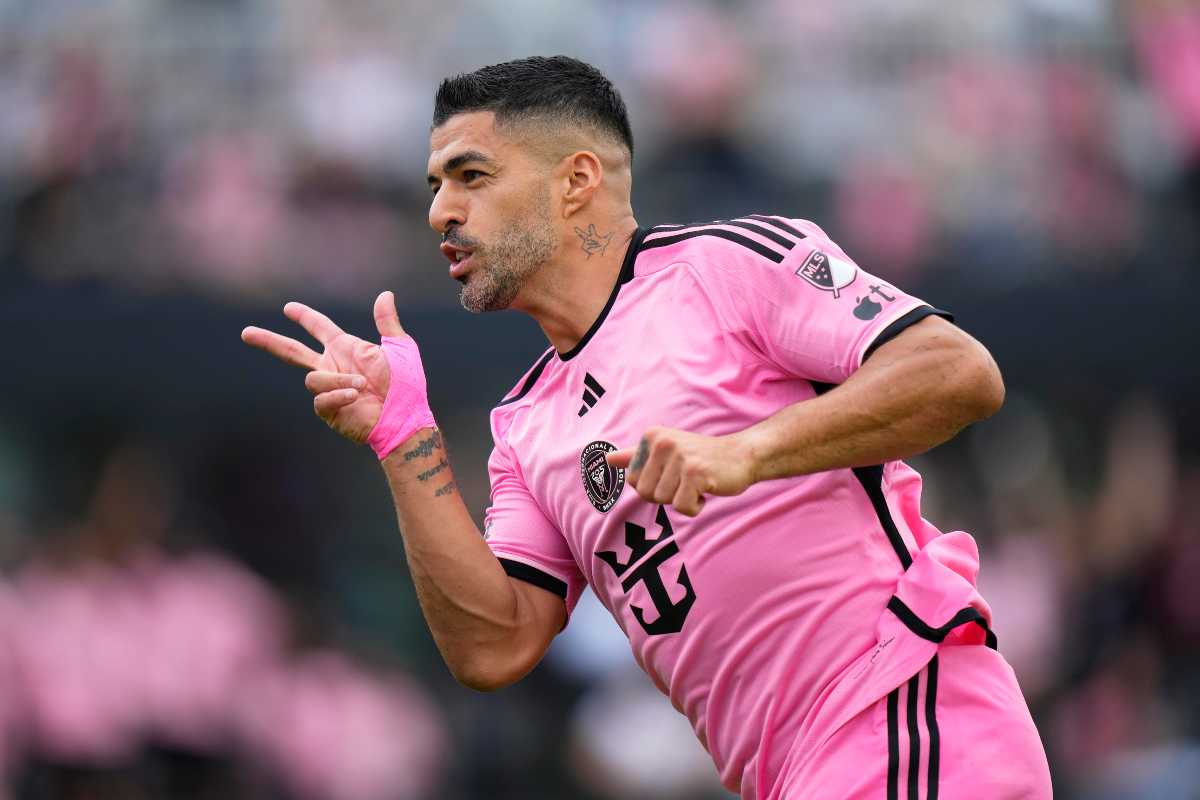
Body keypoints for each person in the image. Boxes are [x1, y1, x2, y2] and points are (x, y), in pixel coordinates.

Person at [241, 56, 1052, 800]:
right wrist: (404, 439)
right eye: (434, 185)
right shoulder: (526, 427)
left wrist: (747, 452)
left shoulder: (724, 267)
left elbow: (957, 371)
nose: (439, 211)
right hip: (794, 773)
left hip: (901, 714)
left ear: (576, 180)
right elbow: (494, 647)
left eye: (471, 176)